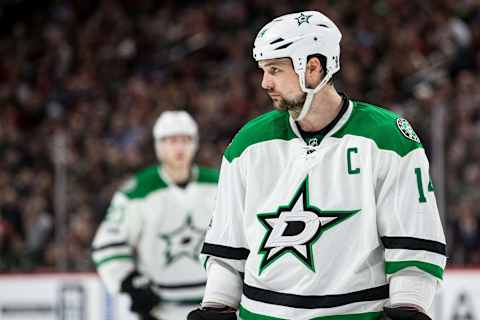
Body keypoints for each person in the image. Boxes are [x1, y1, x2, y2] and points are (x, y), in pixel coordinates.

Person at [188, 11, 446, 320]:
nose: (265, 82)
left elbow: (412, 245)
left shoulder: (388, 139)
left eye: (275, 70)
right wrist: (216, 304)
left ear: (313, 67)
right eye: (263, 70)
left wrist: (408, 306)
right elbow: (228, 246)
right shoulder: (248, 143)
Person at [92, 110, 219, 320]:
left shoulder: (218, 183)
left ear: (195, 143)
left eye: (185, 140)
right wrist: (128, 281)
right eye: (171, 141)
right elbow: (108, 244)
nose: (179, 147)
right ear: (158, 145)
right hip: (160, 310)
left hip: (212, 306)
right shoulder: (137, 191)